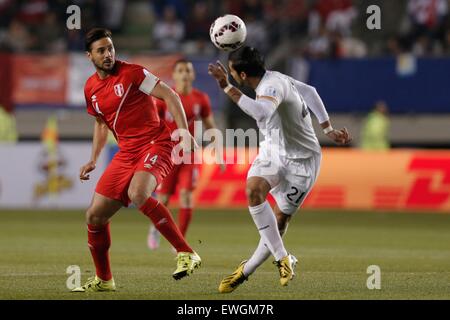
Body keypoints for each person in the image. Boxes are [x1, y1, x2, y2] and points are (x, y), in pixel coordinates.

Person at [208, 46, 351, 293]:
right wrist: (327, 128)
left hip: (303, 161)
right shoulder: (277, 78)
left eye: (231, 71)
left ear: (242, 76)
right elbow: (310, 91)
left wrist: (225, 87)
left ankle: (246, 269)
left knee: (281, 218)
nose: (229, 74)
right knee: (254, 191)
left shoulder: (271, 87)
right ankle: (283, 257)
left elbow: (262, 113)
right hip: (273, 151)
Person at [73, 28, 201, 292]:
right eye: (101, 50)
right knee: (94, 216)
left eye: (110, 48)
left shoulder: (132, 73)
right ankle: (104, 280)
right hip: (127, 152)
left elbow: (170, 95)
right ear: (89, 56)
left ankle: (186, 252)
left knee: (138, 192)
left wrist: (184, 132)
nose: (108, 54)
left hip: (157, 142)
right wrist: (93, 159)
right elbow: (100, 124)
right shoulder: (91, 88)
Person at [148, 59, 225, 250]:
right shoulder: (164, 97)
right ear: (174, 75)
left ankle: (179, 242)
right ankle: (155, 229)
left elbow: (211, 126)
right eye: (180, 70)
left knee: (186, 196)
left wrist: (218, 150)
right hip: (168, 155)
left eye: (187, 70)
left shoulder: (201, 99)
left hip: (190, 155)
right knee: (163, 200)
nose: (184, 74)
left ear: (192, 74)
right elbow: (151, 124)